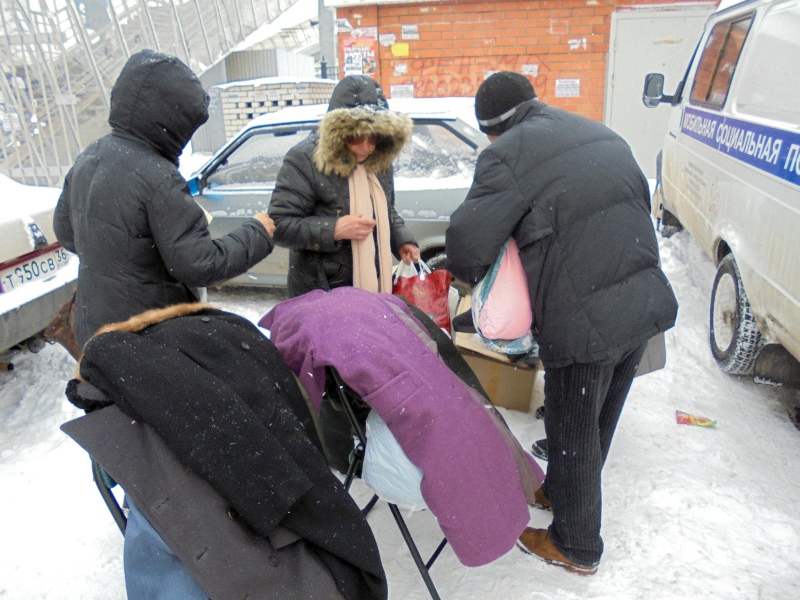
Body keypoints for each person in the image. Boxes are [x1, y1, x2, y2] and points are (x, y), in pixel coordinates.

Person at [53, 49, 276, 598]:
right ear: (169, 121)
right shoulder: (158, 178)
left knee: (129, 434)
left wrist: (117, 258)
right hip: (149, 340)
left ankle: (139, 504)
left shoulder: (91, 156)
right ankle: (176, 539)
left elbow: (66, 231)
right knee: (169, 454)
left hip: (96, 333)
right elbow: (200, 263)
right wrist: (260, 231)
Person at [446, 71, 678, 575]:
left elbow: (467, 244)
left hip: (585, 314)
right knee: (597, 418)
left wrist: (471, 271)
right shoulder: (600, 132)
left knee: (571, 425)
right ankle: (562, 491)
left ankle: (575, 544)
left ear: (491, 129)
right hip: (640, 299)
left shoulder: (507, 154)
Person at [269, 75, 420, 298]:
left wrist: (401, 240)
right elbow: (279, 225)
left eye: (373, 138)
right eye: (356, 137)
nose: (366, 148)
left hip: (374, 286)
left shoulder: (378, 160)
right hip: (322, 292)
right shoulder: (304, 159)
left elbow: (387, 211)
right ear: (338, 133)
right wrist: (334, 229)